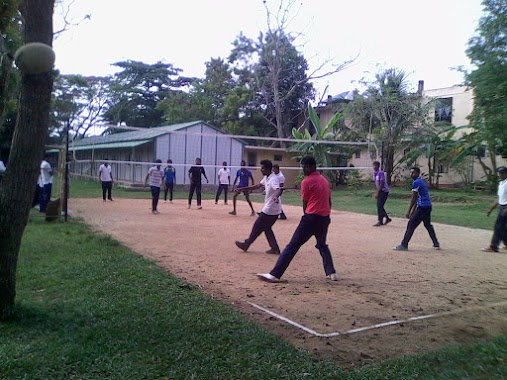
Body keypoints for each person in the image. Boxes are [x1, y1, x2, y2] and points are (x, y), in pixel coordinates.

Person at [257, 156, 339, 283]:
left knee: (292, 246)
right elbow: (329, 201)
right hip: (324, 218)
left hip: (311, 218)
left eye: (304, 167)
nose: (303, 169)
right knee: (322, 245)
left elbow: (305, 203)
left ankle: (275, 274)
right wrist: (326, 216)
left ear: (311, 166)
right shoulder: (324, 180)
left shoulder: (306, 182)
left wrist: (306, 217)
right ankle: (331, 272)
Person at [235, 160, 282, 255]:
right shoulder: (267, 177)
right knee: (267, 228)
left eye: (263, 168)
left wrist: (276, 197)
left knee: (257, 226)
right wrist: (242, 189)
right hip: (273, 210)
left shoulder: (273, 179)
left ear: (268, 169)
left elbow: (278, 189)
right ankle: (275, 248)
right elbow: (257, 186)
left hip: (270, 209)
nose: (261, 169)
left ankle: (247, 244)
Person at [393, 167, 440, 251]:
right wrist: (413, 210)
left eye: (413, 173)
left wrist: (409, 211)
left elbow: (414, 198)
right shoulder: (421, 181)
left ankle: (404, 245)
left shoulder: (416, 182)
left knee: (411, 224)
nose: (411, 174)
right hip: (428, 206)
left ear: (418, 173)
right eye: (411, 172)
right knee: (427, 225)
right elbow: (418, 198)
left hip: (422, 207)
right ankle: (436, 243)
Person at [482, 166, 507, 252]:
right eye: (499, 173)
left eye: (502, 173)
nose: (500, 175)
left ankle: (493, 246)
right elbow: (498, 198)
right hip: (501, 206)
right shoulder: (501, 183)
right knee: (502, 227)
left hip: (505, 207)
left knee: (498, 226)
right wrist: (491, 209)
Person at [372, 161, 391, 226]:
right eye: (373, 165)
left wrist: (377, 192)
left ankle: (380, 221)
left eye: (375, 165)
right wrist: (376, 191)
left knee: (379, 206)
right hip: (380, 191)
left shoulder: (381, 173)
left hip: (384, 191)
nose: (374, 167)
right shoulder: (375, 173)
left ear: (378, 166)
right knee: (380, 206)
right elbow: (376, 184)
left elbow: (382, 183)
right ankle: (387, 218)